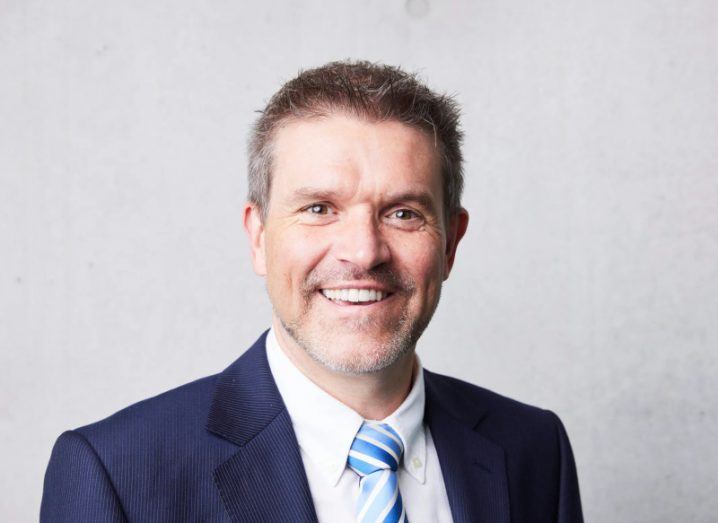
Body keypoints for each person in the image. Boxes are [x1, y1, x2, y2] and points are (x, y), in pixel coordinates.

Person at [41, 60, 583, 522]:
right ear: (259, 236)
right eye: (319, 209)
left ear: (451, 245)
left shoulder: (533, 450)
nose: (364, 252)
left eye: (402, 213)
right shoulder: (115, 475)